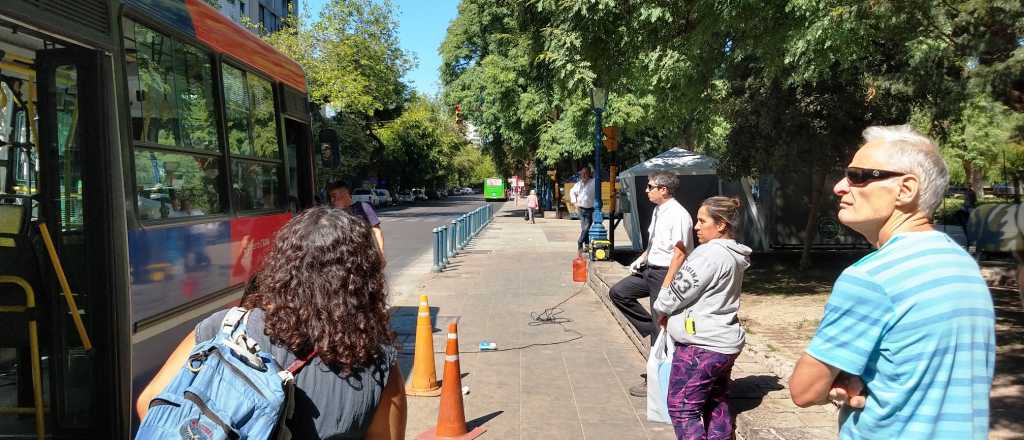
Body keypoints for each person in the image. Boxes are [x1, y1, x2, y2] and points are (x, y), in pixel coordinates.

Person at [789, 125, 995, 439]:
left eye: (858, 175)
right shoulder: (962, 265)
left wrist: (839, 378)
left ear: (906, 189)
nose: (840, 187)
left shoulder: (871, 277)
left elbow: (803, 390)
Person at [136, 207, 407, 439]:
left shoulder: (224, 328)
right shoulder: (377, 365)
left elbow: (149, 403)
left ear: (282, 266)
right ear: (363, 281)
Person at [654, 196, 750, 440]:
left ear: (720, 226)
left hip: (701, 345)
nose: (696, 227)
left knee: (682, 407)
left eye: (701, 220)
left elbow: (669, 298)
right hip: (724, 342)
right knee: (715, 403)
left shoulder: (708, 255)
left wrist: (664, 298)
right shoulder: (733, 254)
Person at [609, 171, 694, 397]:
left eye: (650, 187)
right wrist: (643, 258)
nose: (646, 190)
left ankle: (656, 382)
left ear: (663, 189)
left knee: (661, 325)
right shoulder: (659, 211)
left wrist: (667, 285)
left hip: (666, 272)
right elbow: (655, 241)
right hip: (651, 268)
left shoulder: (678, 214)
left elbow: (680, 253)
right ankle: (649, 327)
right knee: (619, 293)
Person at [327, 180, 385, 254]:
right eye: (331, 197)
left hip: (365, 256)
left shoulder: (364, 207)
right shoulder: (333, 215)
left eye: (334, 196)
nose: (332, 200)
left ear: (344, 193)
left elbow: (377, 231)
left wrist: (381, 254)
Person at [570, 167, 595, 251]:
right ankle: (587, 245)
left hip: (590, 209)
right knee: (584, 228)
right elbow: (572, 192)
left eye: (585, 173)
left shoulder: (594, 182)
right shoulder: (578, 184)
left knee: (586, 228)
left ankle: (580, 241)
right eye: (582, 174)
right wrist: (574, 203)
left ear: (589, 174)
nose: (583, 175)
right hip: (581, 209)